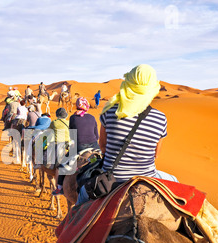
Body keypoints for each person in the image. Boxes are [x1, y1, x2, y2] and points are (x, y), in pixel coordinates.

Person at [76, 64, 178, 206]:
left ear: (128, 83)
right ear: (152, 88)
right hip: (147, 179)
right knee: (175, 182)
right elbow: (156, 154)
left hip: (112, 180)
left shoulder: (110, 112)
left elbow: (103, 146)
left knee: (81, 196)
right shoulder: (160, 118)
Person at [49, 108, 71, 195]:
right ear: (66, 115)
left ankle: (59, 187)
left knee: (58, 166)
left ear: (57, 115)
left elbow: (49, 131)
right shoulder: (69, 122)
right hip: (70, 145)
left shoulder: (54, 122)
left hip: (59, 145)